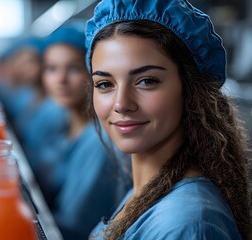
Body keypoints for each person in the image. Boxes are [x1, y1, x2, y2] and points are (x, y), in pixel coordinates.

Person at [85, 0, 252, 239]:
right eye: (104, 84)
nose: (121, 104)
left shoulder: (188, 224)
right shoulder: (148, 190)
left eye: (146, 81)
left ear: (191, 90)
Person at [40, 24, 124, 240]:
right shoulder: (64, 123)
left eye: (74, 68)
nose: (61, 79)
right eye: (51, 68)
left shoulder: (99, 142)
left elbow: (75, 227)